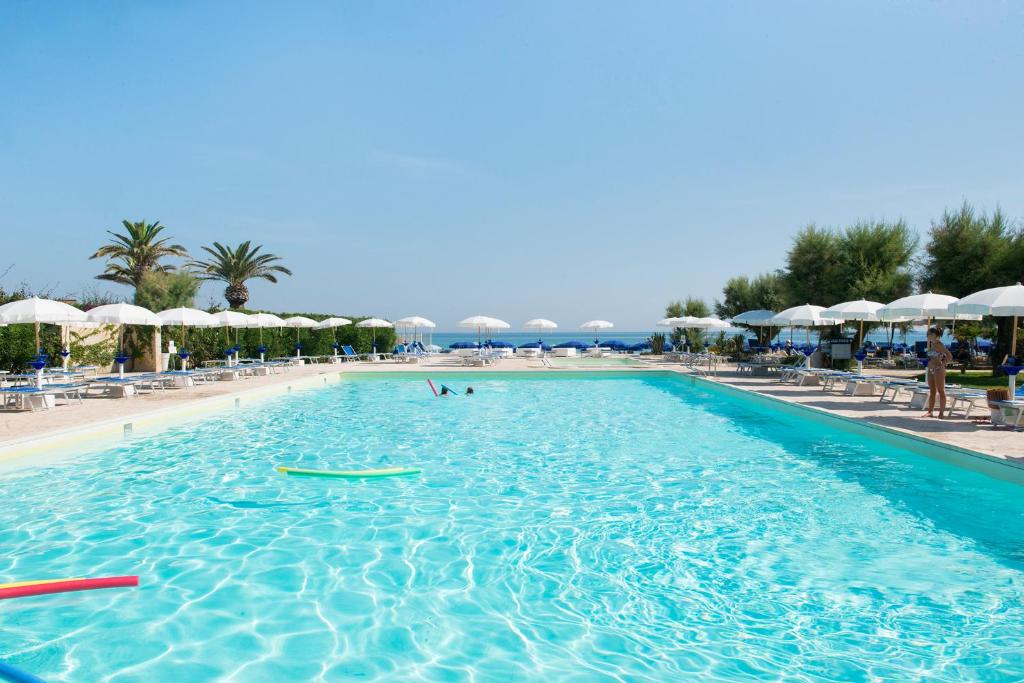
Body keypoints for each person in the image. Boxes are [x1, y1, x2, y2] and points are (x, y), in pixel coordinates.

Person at [923, 327, 953, 419]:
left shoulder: (939, 345)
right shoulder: (931, 344)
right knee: (932, 391)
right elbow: (932, 357)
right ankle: (930, 412)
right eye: (928, 334)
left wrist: (942, 364)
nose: (929, 336)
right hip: (931, 369)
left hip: (938, 370)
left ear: (936, 335)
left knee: (941, 391)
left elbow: (949, 356)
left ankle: (941, 413)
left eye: (931, 334)